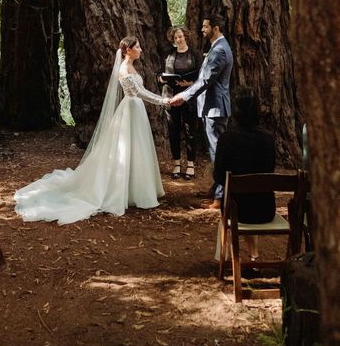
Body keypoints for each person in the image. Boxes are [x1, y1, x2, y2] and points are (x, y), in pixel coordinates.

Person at [14, 36, 170, 225]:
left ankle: (137, 189)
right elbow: (140, 92)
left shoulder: (132, 67)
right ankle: (125, 191)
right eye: (137, 46)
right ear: (128, 50)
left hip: (136, 110)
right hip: (131, 109)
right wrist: (164, 101)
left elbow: (141, 90)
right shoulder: (123, 69)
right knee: (127, 148)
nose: (141, 49)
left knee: (137, 149)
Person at [170, 14, 233, 209]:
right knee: (217, 151)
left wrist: (184, 96)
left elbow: (206, 80)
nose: (202, 30)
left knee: (217, 153)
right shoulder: (217, 48)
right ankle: (218, 190)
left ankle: (221, 197)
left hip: (215, 108)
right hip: (212, 107)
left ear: (216, 28)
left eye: (205, 27)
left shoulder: (220, 50)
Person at [214, 86, 276, 260]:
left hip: (237, 211)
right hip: (265, 209)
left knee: (236, 200)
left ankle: (231, 259)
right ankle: (254, 254)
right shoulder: (268, 138)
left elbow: (218, 176)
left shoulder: (227, 138)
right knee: (250, 196)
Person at [159, 25, 202, 180]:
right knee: (173, 130)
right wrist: (162, 78)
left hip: (189, 97)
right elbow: (160, 73)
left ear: (186, 37)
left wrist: (189, 84)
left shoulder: (195, 54)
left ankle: (190, 163)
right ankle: (177, 162)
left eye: (181, 36)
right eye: (176, 37)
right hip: (171, 96)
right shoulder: (168, 54)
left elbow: (202, 77)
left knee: (191, 130)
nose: (178, 39)